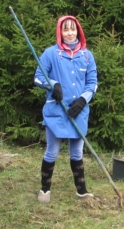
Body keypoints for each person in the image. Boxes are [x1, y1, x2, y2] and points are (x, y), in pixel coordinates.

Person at [34, 16, 98, 202]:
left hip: (78, 112)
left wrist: (83, 101)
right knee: (52, 151)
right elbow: (38, 77)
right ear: (60, 32)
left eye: (73, 29)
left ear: (78, 30)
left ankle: (82, 191)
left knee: (77, 153)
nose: (70, 33)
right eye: (66, 30)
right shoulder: (50, 54)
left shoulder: (87, 56)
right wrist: (53, 85)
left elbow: (93, 84)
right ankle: (45, 189)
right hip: (56, 112)